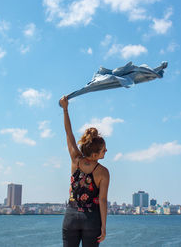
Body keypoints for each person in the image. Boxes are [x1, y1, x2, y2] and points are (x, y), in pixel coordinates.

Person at [60, 96, 110, 247]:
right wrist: (103, 227)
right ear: (94, 155)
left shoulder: (75, 160)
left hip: (70, 217)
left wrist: (65, 109)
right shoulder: (103, 172)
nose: (106, 150)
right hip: (91, 219)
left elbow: (69, 134)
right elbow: (102, 200)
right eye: (103, 150)